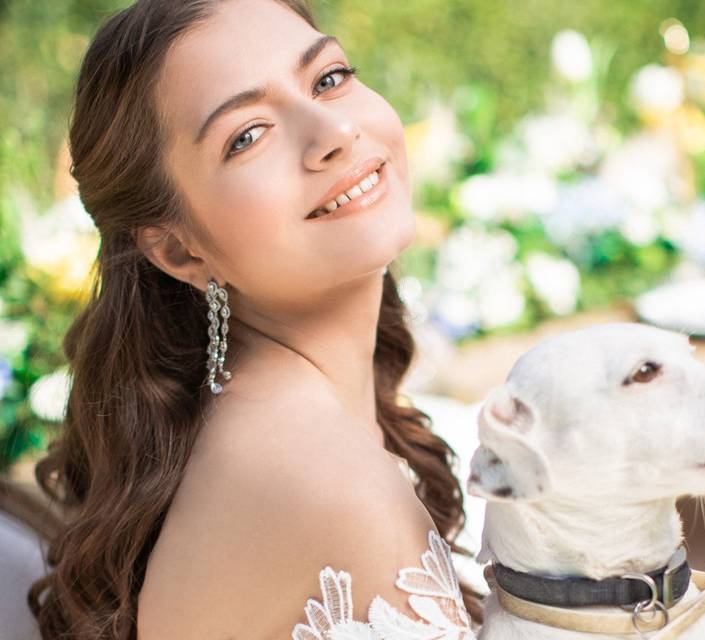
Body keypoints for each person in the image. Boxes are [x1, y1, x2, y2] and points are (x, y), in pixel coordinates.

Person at [26, 0, 483, 637]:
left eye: (328, 79)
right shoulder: (326, 479)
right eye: (247, 135)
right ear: (180, 249)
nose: (334, 134)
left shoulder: (255, 426)